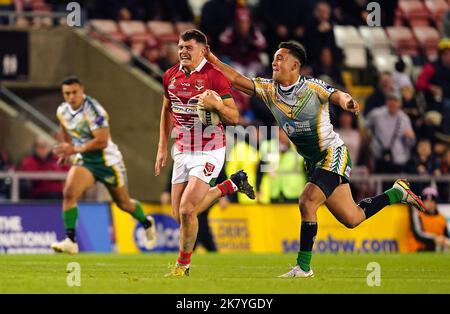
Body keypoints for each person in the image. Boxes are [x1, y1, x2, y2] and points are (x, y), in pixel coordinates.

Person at [205, 40, 426, 278]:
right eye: (274, 57)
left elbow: (337, 95)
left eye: (280, 58)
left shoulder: (311, 87)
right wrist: (212, 60)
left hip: (333, 154)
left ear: (295, 65)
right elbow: (238, 80)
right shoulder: (269, 90)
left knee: (307, 201)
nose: (274, 62)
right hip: (314, 162)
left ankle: (303, 267)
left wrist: (347, 102)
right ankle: (397, 193)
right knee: (352, 218)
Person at [155, 29, 255, 277]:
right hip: (182, 149)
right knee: (180, 216)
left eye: (189, 47)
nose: (183, 52)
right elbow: (167, 109)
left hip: (210, 150)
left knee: (188, 210)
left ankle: (182, 266)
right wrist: (161, 147)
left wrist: (217, 105)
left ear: (203, 50)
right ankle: (230, 185)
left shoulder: (215, 77)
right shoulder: (170, 76)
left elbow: (234, 117)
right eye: (180, 47)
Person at [51, 76, 157, 254]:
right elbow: (65, 128)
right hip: (85, 160)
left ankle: (146, 222)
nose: (71, 97)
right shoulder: (62, 110)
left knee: (123, 204)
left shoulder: (94, 110)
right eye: (67, 93)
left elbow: (102, 141)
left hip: (107, 162)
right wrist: (67, 149)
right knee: (69, 193)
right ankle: (71, 240)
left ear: (82, 90)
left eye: (74, 92)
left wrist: (74, 148)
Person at [408, 186, 450, 252]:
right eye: (426, 201)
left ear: (436, 202)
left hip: (436, 251)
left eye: (432, 201)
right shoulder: (418, 215)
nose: (429, 203)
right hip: (418, 251)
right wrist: (435, 239)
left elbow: (446, 236)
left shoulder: (441, 218)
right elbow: (418, 234)